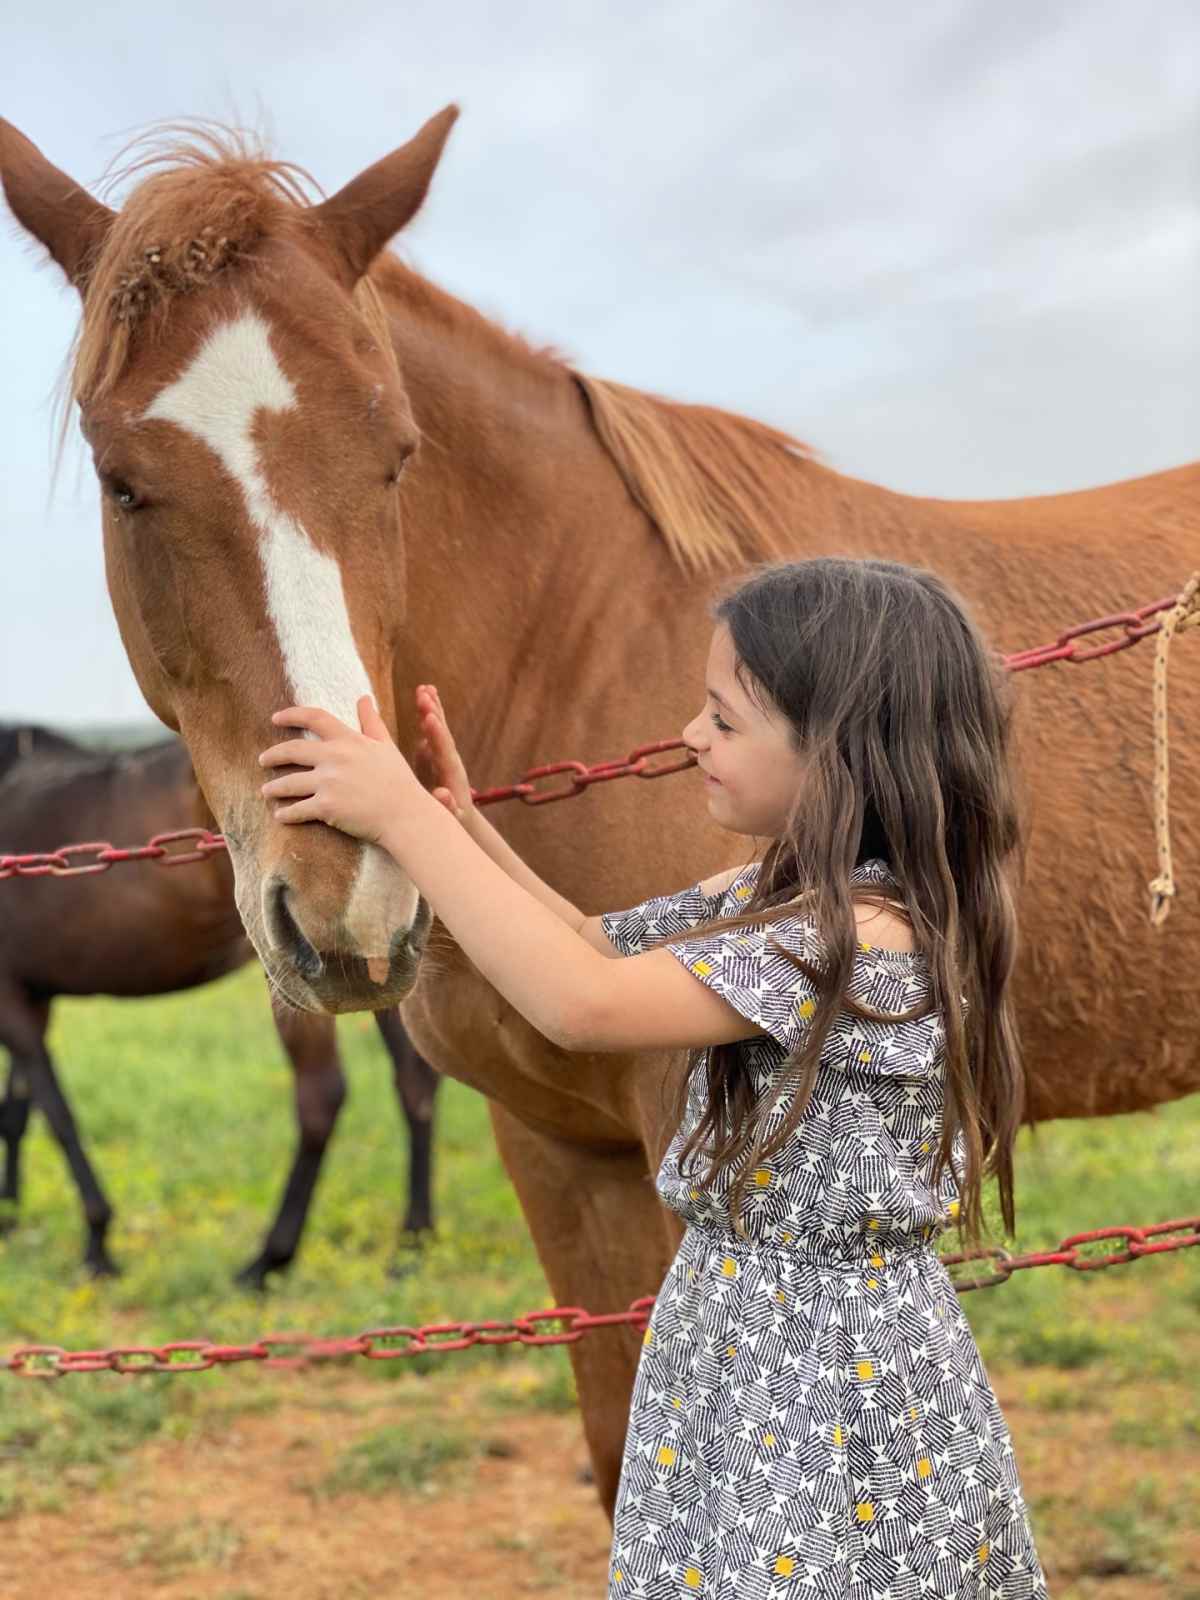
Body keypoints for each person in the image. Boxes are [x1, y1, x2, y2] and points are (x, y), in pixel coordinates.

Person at [258, 556, 1048, 1598]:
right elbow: (591, 942)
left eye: (723, 718)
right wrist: (456, 824)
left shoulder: (855, 939)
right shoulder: (791, 895)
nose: (690, 736)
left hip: (821, 1379)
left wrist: (401, 819)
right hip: (746, 1339)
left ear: (837, 749)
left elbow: (582, 1004)